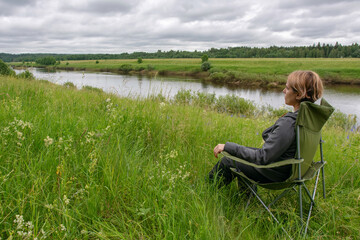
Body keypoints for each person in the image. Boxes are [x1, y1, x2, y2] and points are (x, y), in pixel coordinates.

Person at [209, 70, 324, 186]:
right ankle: (246, 197)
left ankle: (207, 189)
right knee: (240, 154)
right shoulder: (310, 119)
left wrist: (227, 147)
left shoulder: (289, 123)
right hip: (292, 170)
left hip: (275, 172)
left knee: (228, 160)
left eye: (287, 88)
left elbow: (262, 157)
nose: (283, 91)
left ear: (299, 95)